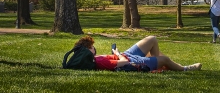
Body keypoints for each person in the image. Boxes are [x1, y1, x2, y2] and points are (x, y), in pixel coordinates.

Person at [73, 35, 202, 72]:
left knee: (152, 39)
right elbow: (124, 62)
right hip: (132, 61)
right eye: (91, 47)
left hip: (128, 53)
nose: (94, 48)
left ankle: (159, 66)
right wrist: (117, 53)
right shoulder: (100, 61)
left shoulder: (95, 58)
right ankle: (185, 68)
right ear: (86, 50)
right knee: (165, 59)